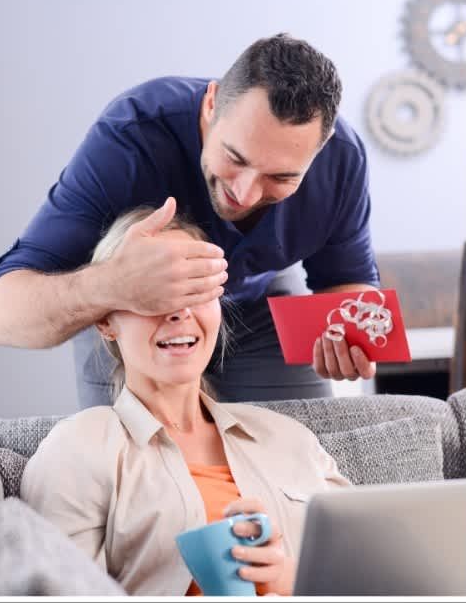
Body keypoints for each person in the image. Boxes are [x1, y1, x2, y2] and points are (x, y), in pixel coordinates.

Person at [0, 33, 380, 407]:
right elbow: (0, 319)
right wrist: (111, 286)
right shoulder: (130, 140)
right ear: (211, 105)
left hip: (259, 303)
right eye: (235, 158)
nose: (245, 194)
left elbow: (347, 284)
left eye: (280, 177)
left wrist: (348, 338)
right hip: (132, 307)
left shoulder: (342, 161)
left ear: (321, 151)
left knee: (298, 450)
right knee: (125, 462)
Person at [18, 207, 352, 596]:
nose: (179, 312)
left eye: (196, 289)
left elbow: (368, 571)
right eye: (153, 293)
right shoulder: (79, 448)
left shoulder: (289, 438)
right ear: (105, 320)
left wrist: (285, 577)